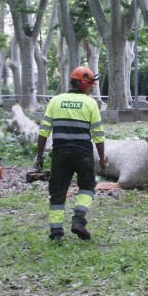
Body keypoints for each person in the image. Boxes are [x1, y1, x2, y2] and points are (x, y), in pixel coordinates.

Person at [35, 66, 107, 241]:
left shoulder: (55, 101)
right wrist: (102, 157)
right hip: (83, 153)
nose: (91, 87)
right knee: (87, 187)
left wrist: (40, 156)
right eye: (90, 84)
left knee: (57, 192)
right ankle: (78, 219)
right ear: (83, 84)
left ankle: (56, 232)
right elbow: (98, 134)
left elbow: (44, 131)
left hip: (60, 154)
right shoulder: (90, 103)